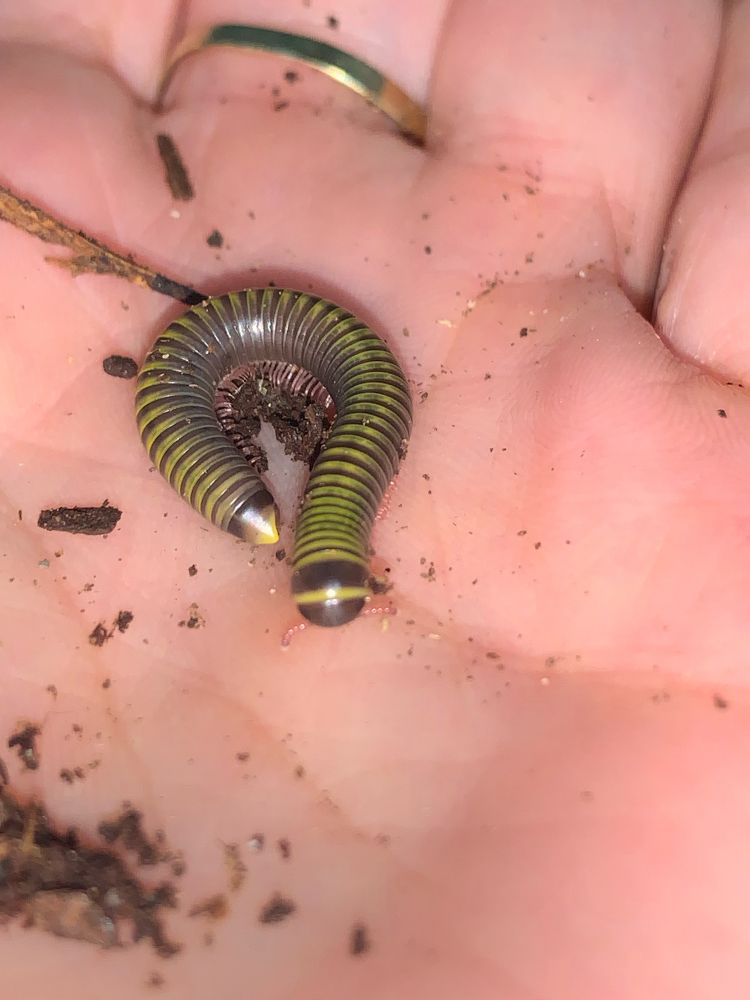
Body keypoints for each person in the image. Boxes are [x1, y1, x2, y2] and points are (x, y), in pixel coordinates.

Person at [1, 2, 745, 997]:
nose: (314, 557)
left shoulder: (331, 440)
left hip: (262, 362)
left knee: (336, 388)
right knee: (322, 387)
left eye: (316, 568)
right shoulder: (320, 433)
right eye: (326, 569)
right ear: (336, 551)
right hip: (243, 361)